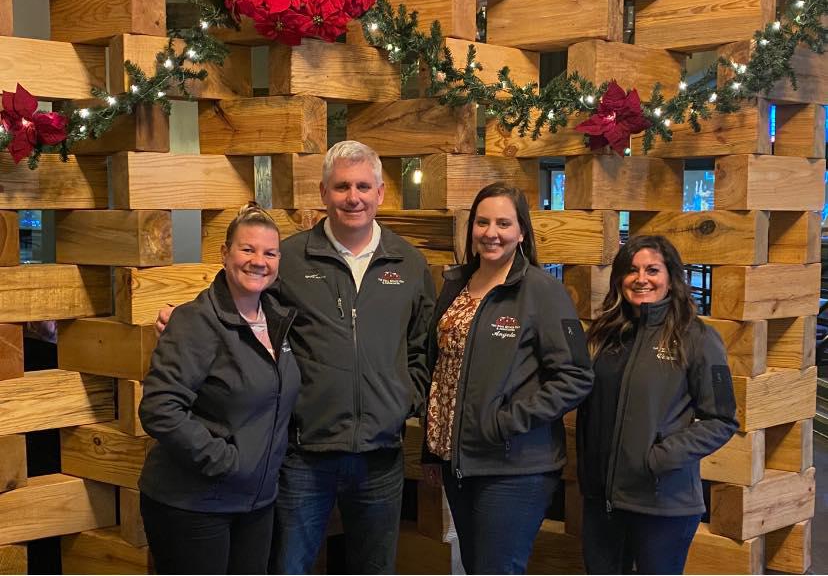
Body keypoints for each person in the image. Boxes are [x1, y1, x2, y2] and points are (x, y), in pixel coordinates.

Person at [157, 141, 435, 574]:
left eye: (364, 186)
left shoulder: (410, 264)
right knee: (289, 566)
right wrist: (185, 316)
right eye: (341, 186)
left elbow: (422, 346)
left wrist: (405, 399)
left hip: (381, 455)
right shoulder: (287, 259)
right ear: (323, 193)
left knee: (374, 568)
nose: (353, 197)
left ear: (381, 193)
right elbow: (237, 298)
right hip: (304, 455)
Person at [421, 182, 594, 574]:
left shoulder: (542, 292)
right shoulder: (456, 285)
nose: (491, 232)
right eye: (482, 222)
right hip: (458, 464)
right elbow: (443, 371)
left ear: (521, 232)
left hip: (514, 467)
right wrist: (432, 451)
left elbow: (577, 376)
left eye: (503, 223)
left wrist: (508, 421)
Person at [138, 202, 300, 574]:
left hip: (255, 503)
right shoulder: (196, 321)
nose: (258, 260)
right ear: (224, 253)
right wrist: (228, 463)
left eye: (270, 252)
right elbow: (160, 409)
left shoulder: (278, 320)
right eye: (247, 249)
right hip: (194, 504)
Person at [576, 234, 739, 574]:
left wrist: (658, 458)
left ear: (671, 277)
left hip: (662, 503)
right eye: (632, 270)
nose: (641, 279)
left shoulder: (698, 338)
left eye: (652, 270)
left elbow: (722, 420)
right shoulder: (606, 334)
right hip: (602, 502)